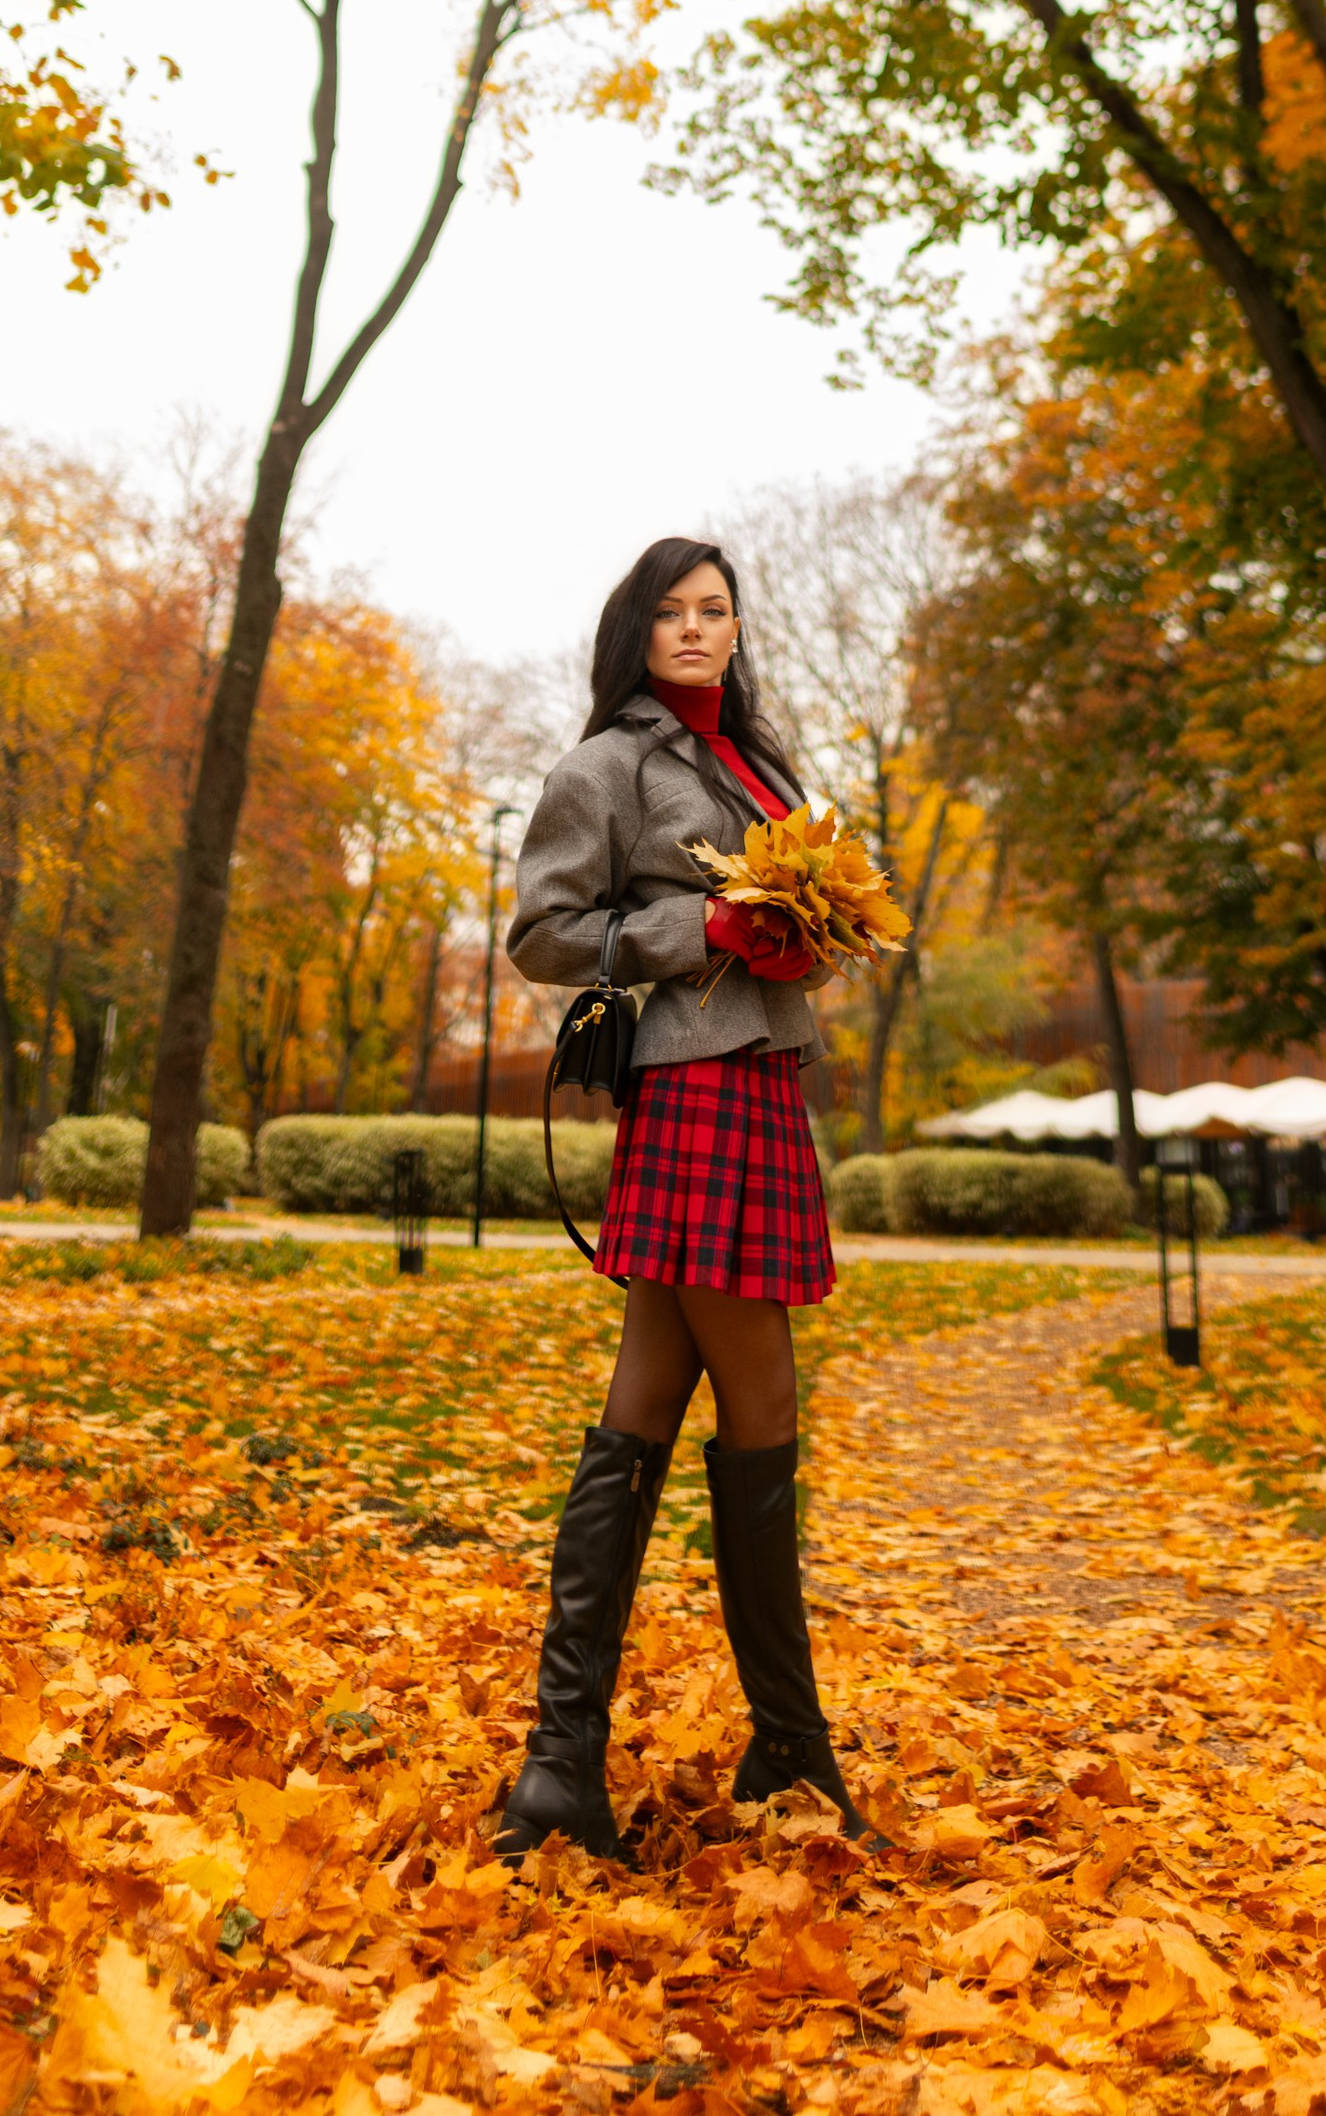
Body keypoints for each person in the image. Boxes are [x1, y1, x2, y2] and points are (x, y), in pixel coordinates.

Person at [497, 535, 864, 1862]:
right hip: (693, 1092)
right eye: (672, 610)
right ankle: (789, 1751)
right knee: (763, 1403)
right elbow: (542, 930)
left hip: (762, 1082)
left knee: (645, 1401)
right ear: (636, 630)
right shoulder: (609, 765)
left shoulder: (764, 768)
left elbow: (780, 942)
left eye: (716, 609)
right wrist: (692, 930)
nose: (697, 627)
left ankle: (560, 1768)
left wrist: (800, 935)